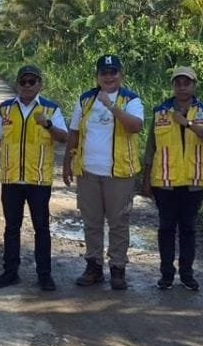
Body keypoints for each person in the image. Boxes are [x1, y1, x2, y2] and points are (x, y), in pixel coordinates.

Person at [62, 54, 144, 291]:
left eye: (113, 73)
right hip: (88, 171)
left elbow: (135, 126)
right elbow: (74, 132)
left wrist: (111, 105)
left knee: (119, 222)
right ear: (97, 76)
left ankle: (118, 268)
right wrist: (67, 162)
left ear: (121, 75)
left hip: (119, 174)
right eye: (104, 73)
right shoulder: (86, 99)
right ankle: (93, 266)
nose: (108, 77)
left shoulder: (131, 100)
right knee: (92, 222)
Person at [0, 65, 68, 291]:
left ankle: (44, 275)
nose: (28, 86)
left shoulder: (51, 109)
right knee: (12, 228)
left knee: (41, 228)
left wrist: (48, 125)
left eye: (32, 82)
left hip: (38, 180)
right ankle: (10, 272)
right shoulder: (5, 109)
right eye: (24, 82)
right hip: (11, 179)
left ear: (40, 84)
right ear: (17, 84)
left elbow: (64, 138)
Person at [140, 66, 203, 291]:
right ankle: (166, 274)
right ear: (173, 86)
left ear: (194, 86)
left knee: (188, 229)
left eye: (187, 83)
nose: (182, 87)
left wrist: (189, 124)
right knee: (166, 228)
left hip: (194, 183)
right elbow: (150, 148)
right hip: (164, 182)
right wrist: (145, 180)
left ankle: (187, 274)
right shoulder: (160, 112)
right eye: (178, 83)